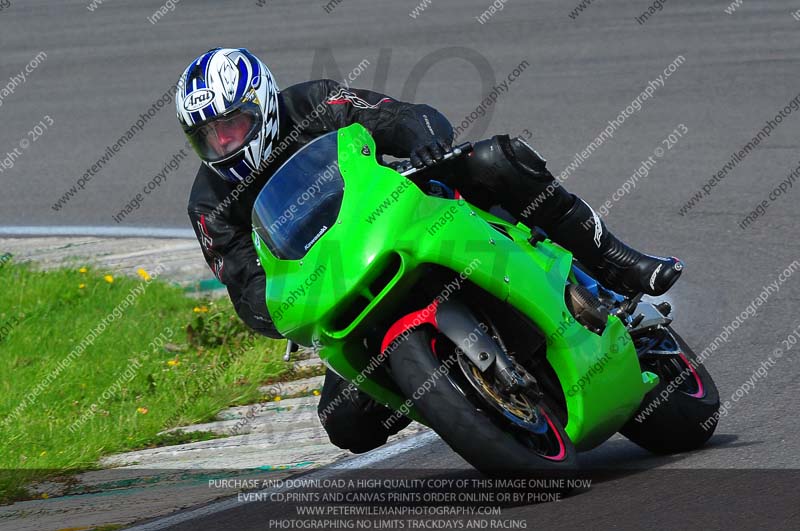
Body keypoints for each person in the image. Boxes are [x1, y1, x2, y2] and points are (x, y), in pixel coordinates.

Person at [179, 47, 683, 454]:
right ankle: (450, 397)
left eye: (232, 126)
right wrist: (277, 308)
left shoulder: (313, 103)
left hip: (396, 215)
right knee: (344, 424)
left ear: (263, 104)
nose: (223, 143)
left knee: (494, 159)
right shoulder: (209, 204)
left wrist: (425, 143)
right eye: (207, 137)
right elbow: (245, 286)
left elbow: (400, 117)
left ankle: (615, 264)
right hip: (335, 281)